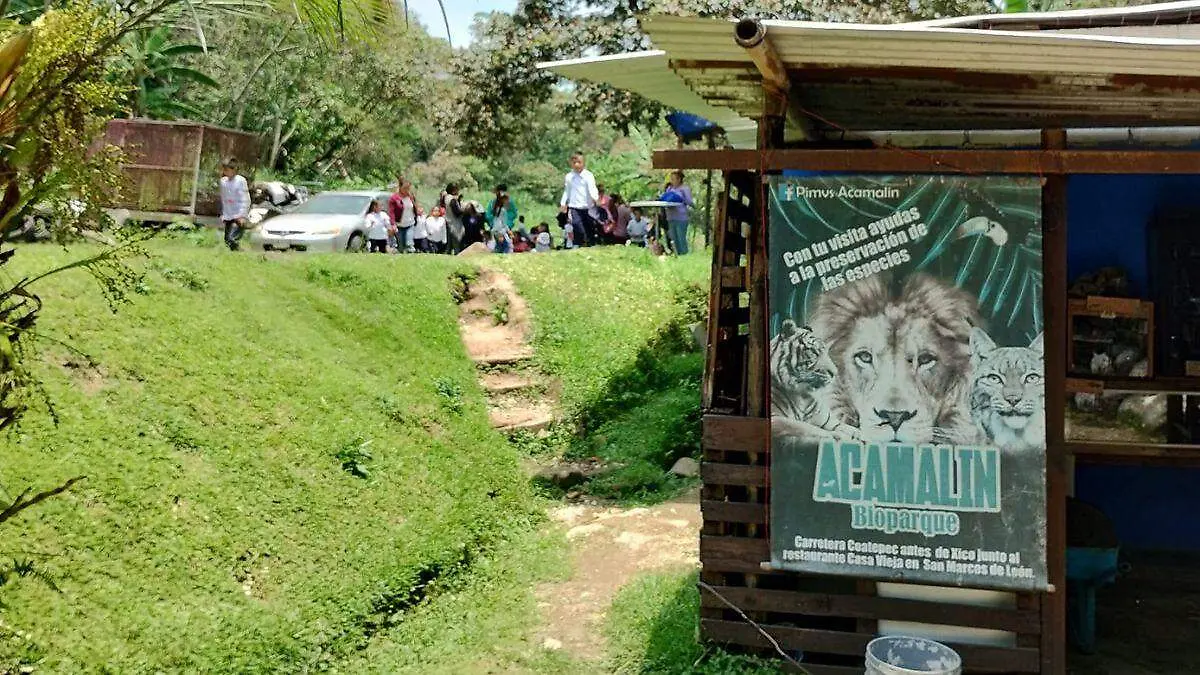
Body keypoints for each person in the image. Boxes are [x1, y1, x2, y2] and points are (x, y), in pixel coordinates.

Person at [559, 151, 598, 247]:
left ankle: (590, 243)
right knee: (577, 225)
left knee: (589, 227)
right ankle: (580, 243)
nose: (577, 165)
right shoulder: (569, 177)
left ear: (583, 162)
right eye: (574, 162)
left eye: (579, 162)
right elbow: (567, 191)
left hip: (587, 207)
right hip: (574, 206)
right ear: (571, 163)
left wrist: (595, 198)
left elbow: (592, 188)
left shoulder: (588, 176)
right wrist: (563, 203)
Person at [219, 157, 250, 251]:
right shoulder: (223, 182)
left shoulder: (240, 181)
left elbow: (245, 199)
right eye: (224, 169)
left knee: (232, 239)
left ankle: (241, 252)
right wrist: (223, 214)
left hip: (239, 214)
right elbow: (224, 199)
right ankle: (235, 254)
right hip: (228, 214)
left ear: (234, 169)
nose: (225, 171)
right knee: (227, 241)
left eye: (227, 169)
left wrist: (242, 215)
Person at [662, 170, 694, 255]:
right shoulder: (669, 189)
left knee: (681, 239)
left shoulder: (684, 189)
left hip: (681, 217)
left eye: (673, 179)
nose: (672, 181)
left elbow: (690, 202)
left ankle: (684, 255)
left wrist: (682, 198)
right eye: (671, 179)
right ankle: (676, 255)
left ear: (679, 179)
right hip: (670, 217)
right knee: (673, 239)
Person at [388, 176, 418, 253]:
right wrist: (393, 224)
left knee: (409, 243)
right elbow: (391, 212)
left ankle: (411, 252)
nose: (407, 190)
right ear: (400, 187)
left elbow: (415, 207)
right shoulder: (394, 198)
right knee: (401, 247)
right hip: (399, 225)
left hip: (410, 223)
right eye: (405, 188)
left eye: (408, 188)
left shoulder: (411, 196)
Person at [440, 184, 466, 253]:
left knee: (449, 245)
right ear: (454, 190)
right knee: (457, 244)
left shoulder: (446, 198)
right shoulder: (452, 200)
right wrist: (464, 210)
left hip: (449, 222)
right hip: (455, 224)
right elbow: (457, 213)